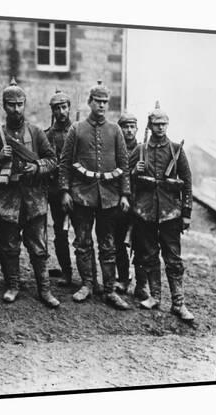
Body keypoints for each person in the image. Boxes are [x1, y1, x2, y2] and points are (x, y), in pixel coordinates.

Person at [0, 78, 60, 307]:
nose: (15, 109)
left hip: (33, 197)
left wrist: (37, 167)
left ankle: (44, 289)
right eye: (10, 104)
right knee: (8, 245)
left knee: (38, 246)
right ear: (4, 106)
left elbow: (52, 160)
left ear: (24, 105)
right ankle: (12, 285)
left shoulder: (36, 132)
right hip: (7, 198)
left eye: (19, 104)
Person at [59, 80, 131, 310]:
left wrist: (125, 194)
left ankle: (109, 289)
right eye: (97, 101)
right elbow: (64, 163)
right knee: (82, 241)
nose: (101, 105)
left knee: (108, 244)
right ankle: (87, 284)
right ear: (90, 102)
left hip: (109, 196)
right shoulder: (77, 129)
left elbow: (124, 164)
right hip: (82, 195)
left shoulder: (115, 130)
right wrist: (65, 191)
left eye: (105, 102)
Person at [129, 102, 194, 321]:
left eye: (164, 124)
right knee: (148, 254)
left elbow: (186, 183)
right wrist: (133, 171)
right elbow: (127, 180)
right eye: (157, 124)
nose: (160, 128)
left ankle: (178, 303)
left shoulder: (176, 149)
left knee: (173, 258)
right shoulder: (140, 150)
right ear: (150, 125)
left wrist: (186, 213)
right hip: (145, 212)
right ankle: (155, 296)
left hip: (170, 214)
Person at [44, 89, 73, 285]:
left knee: (82, 234)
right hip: (55, 191)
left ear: (69, 108)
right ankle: (67, 271)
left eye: (64, 107)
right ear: (52, 111)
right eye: (57, 108)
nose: (61, 111)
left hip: (78, 190)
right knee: (60, 232)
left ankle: (89, 278)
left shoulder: (79, 131)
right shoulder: (47, 135)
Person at [113, 112, 143, 296]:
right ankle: (123, 279)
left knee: (141, 245)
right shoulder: (115, 150)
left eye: (132, 127)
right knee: (118, 243)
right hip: (121, 202)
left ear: (137, 129)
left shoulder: (144, 149)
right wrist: (132, 172)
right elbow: (115, 175)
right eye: (126, 127)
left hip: (141, 203)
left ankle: (141, 285)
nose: (129, 130)